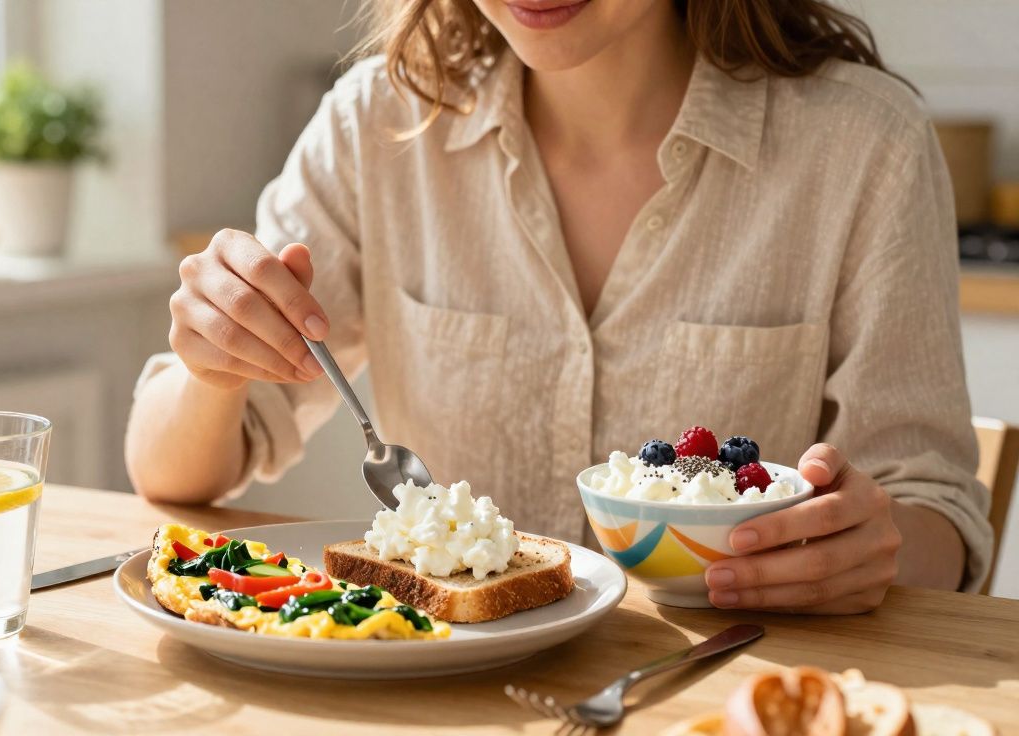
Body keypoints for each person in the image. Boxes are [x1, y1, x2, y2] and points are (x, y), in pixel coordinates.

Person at [126, 0, 993, 612]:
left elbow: (938, 522)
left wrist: (867, 555)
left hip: (713, 690)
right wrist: (213, 368)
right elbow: (169, 472)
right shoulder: (375, 126)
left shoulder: (865, 146)